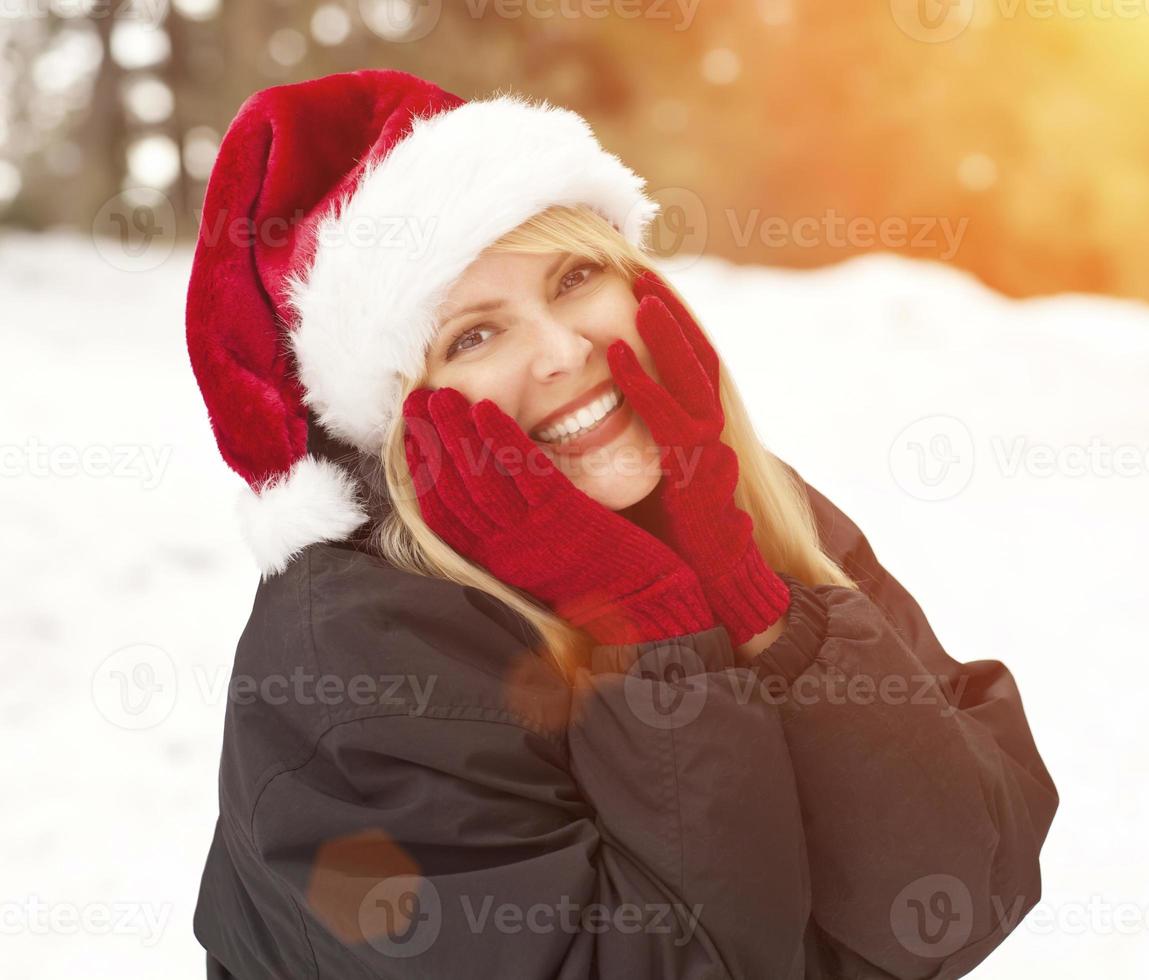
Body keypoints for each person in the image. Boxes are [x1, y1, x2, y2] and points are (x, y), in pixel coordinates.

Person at [186, 69, 1058, 979]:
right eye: (473, 337)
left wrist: (760, 612)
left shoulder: (740, 508)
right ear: (404, 412)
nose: (565, 352)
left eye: (575, 278)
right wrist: (655, 633)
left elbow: (956, 900)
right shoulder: (352, 652)